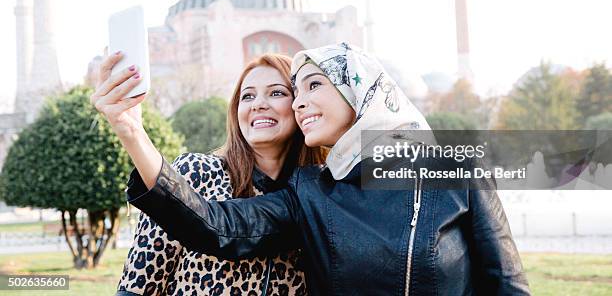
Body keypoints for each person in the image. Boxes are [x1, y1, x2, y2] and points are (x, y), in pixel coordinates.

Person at [97, 43, 530, 295]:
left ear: (359, 93)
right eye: (296, 91)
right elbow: (217, 227)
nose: (299, 101)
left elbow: (506, 284)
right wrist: (131, 130)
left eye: (314, 85)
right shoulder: (312, 192)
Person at [92, 53, 326, 295]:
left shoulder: (318, 196)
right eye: (247, 96)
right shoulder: (195, 172)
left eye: (276, 93)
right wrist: (131, 130)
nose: (257, 104)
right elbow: (139, 284)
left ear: (300, 105)